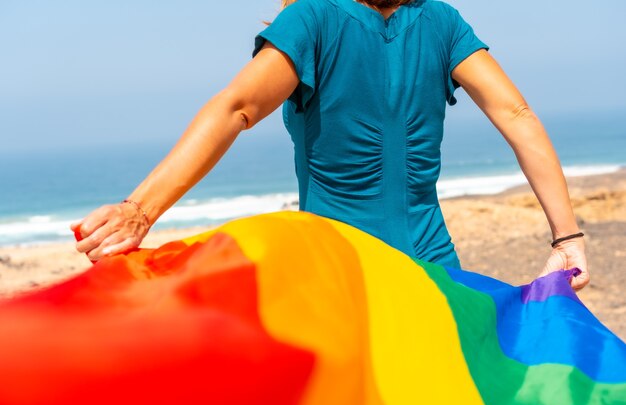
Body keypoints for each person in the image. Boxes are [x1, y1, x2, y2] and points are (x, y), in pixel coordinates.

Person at [71, 0, 589, 290]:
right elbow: (516, 113)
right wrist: (567, 238)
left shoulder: (312, 19)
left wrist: (141, 210)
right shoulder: (442, 22)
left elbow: (236, 108)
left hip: (340, 276)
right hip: (436, 273)